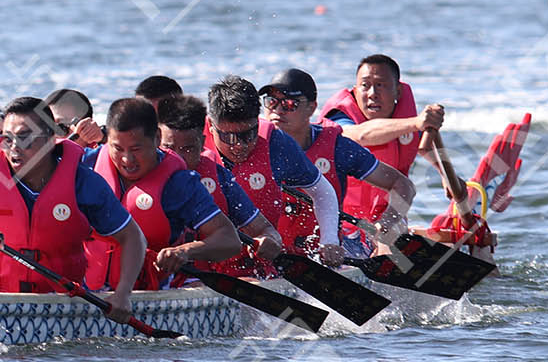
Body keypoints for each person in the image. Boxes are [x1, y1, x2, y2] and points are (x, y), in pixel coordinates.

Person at [0, 97, 146, 319]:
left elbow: (133, 237)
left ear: (51, 140)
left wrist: (123, 293)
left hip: (61, 297)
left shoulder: (83, 183)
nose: (13, 149)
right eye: (7, 139)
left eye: (24, 139)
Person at [83, 98, 242, 291]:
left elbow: (229, 240)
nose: (127, 159)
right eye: (117, 148)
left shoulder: (179, 184)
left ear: (157, 138)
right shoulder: (85, 164)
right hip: (86, 289)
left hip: (150, 293)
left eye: (136, 149)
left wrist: (184, 252)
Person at [259, 67, 415, 248]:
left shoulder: (337, 147)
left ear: (311, 108)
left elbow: (404, 186)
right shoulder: (248, 145)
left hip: (328, 251)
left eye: (288, 104)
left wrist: (386, 225)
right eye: (271, 102)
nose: (277, 110)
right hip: (270, 249)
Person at [204, 75, 347, 266]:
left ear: (258, 120)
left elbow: (322, 191)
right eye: (229, 137)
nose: (238, 145)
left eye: (248, 134)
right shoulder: (188, 146)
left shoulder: (277, 144)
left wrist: (329, 241)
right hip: (205, 263)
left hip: (259, 263)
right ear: (211, 126)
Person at [156, 93, 285, 269]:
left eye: (187, 149)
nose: (178, 158)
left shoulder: (221, 179)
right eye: (168, 148)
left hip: (202, 279)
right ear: (156, 141)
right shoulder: (137, 171)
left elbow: (266, 230)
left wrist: (270, 240)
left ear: (201, 144)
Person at [319, 54, 445, 222]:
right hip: (340, 221)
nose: (372, 94)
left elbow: (425, 145)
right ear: (356, 91)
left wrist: (445, 174)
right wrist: (416, 123)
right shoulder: (338, 117)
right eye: (365, 86)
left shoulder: (406, 120)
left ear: (398, 91)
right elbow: (360, 135)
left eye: (380, 85)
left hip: (386, 219)